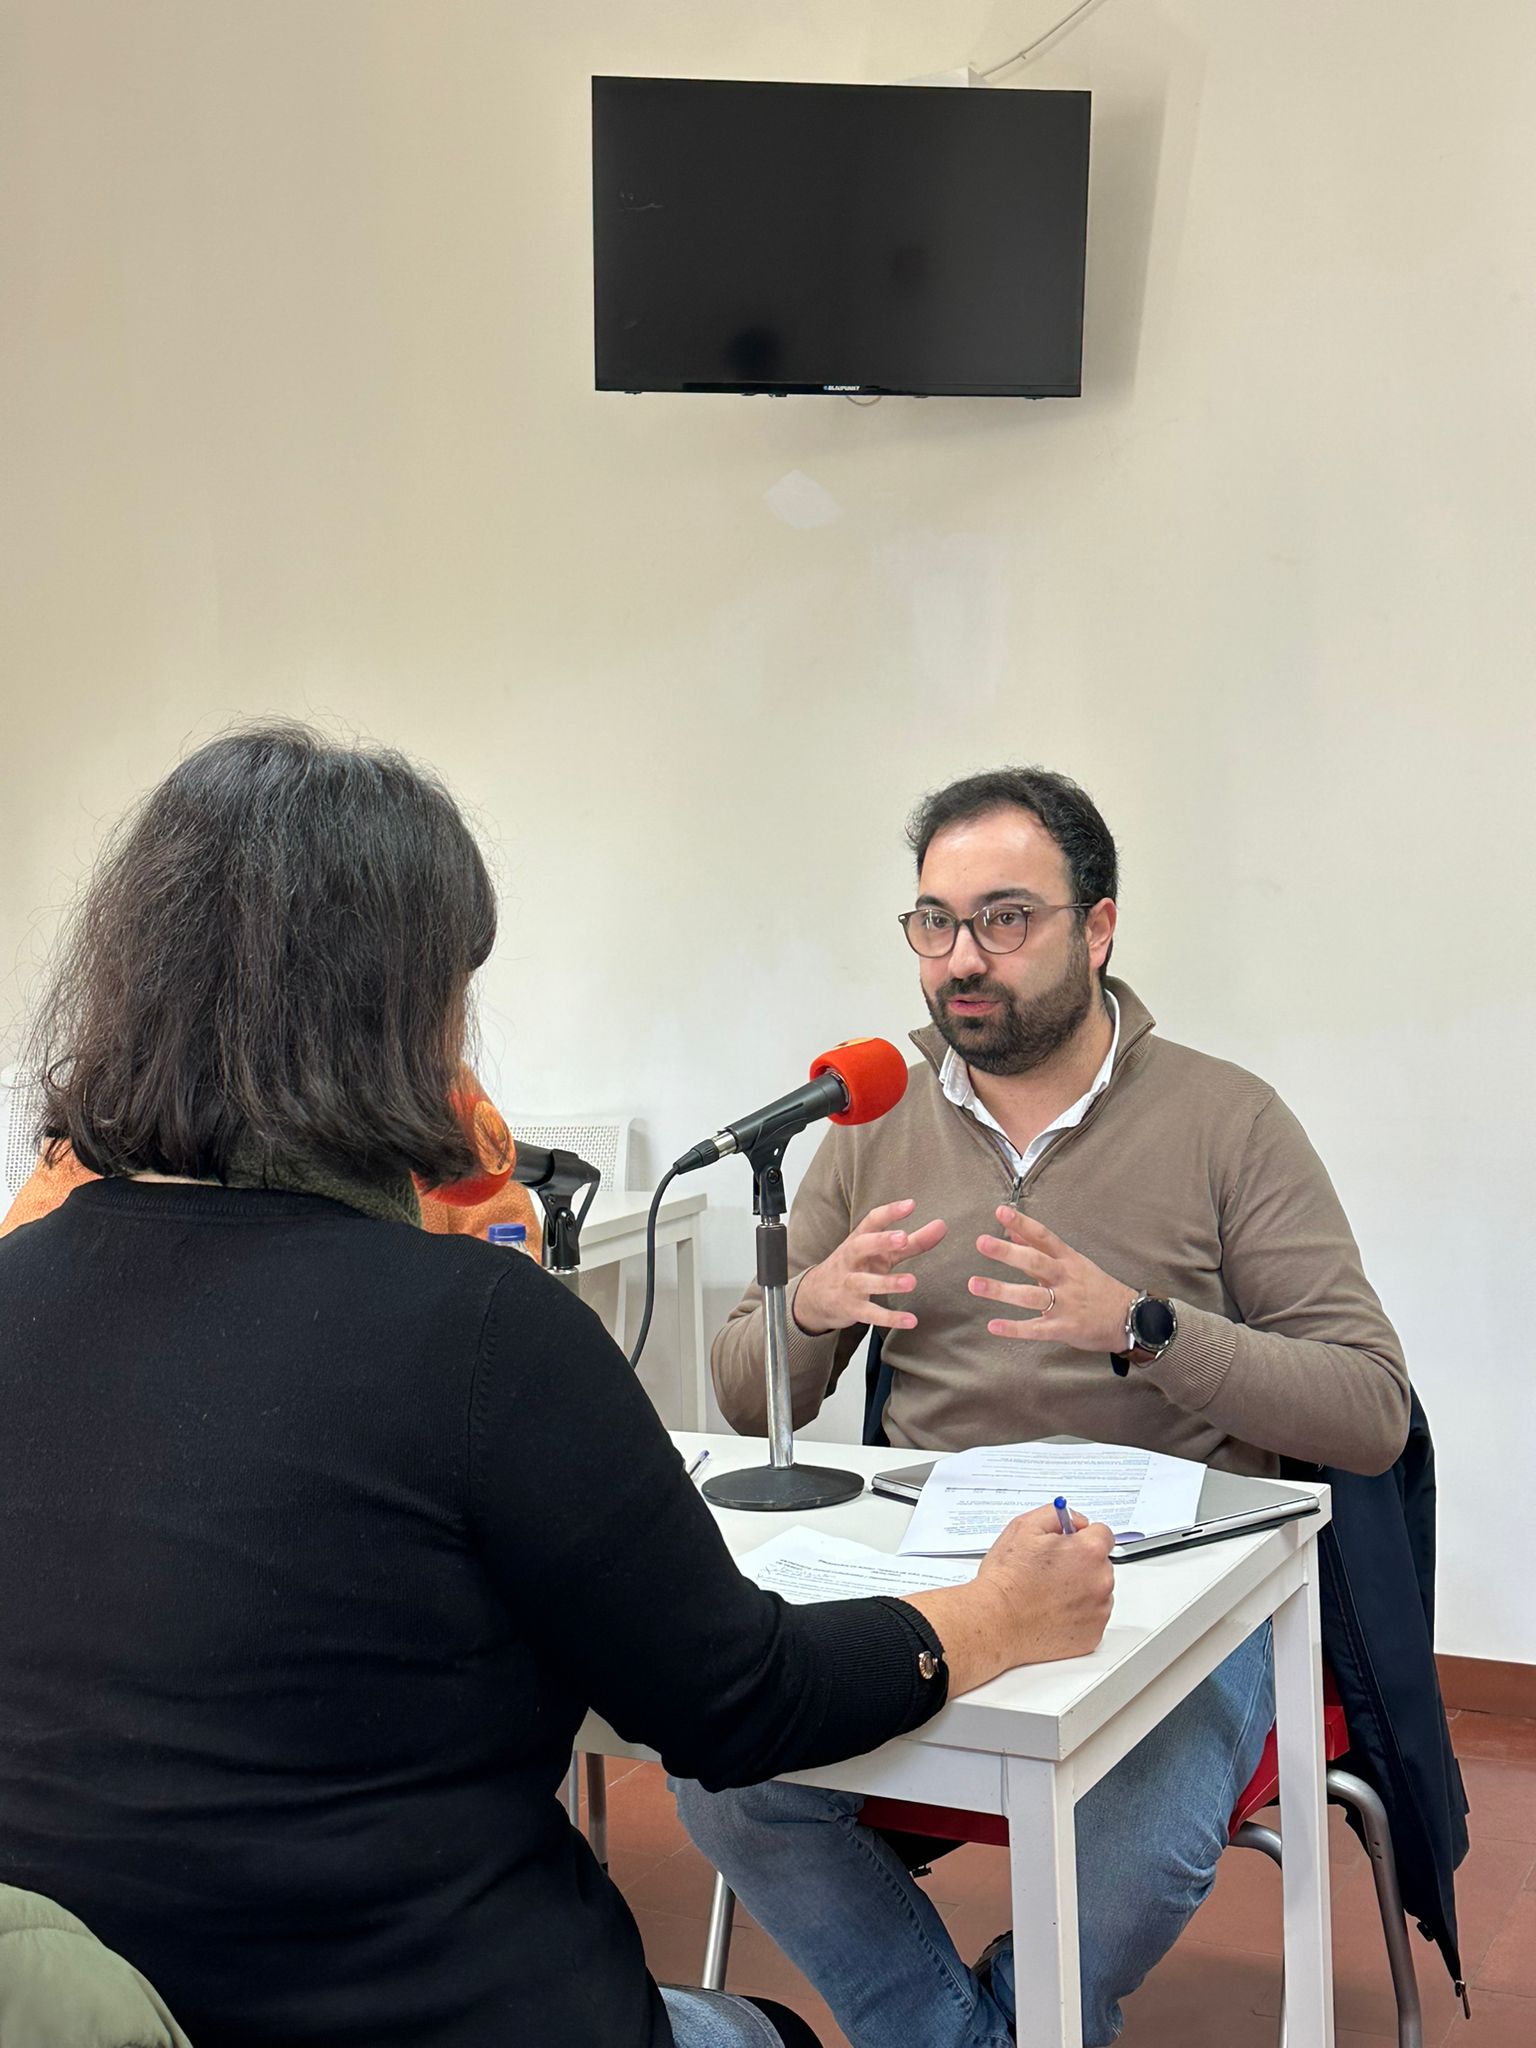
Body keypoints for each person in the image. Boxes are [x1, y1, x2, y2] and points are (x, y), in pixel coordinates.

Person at [0, 727, 1117, 2048]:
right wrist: (989, 1615)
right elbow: (734, 1701)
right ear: (404, 1015)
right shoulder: (477, 1329)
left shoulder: (19, 1284)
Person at [675, 765, 1410, 2048]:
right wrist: (811, 1309)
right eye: (934, 922)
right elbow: (745, 1401)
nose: (963, 958)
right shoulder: (872, 1114)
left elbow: (1369, 1410)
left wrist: (1146, 1327)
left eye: (1005, 918)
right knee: (719, 1766)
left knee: (1128, 1834)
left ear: (1099, 926)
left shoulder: (1227, 1118)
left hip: (1170, 1587)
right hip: (930, 1570)